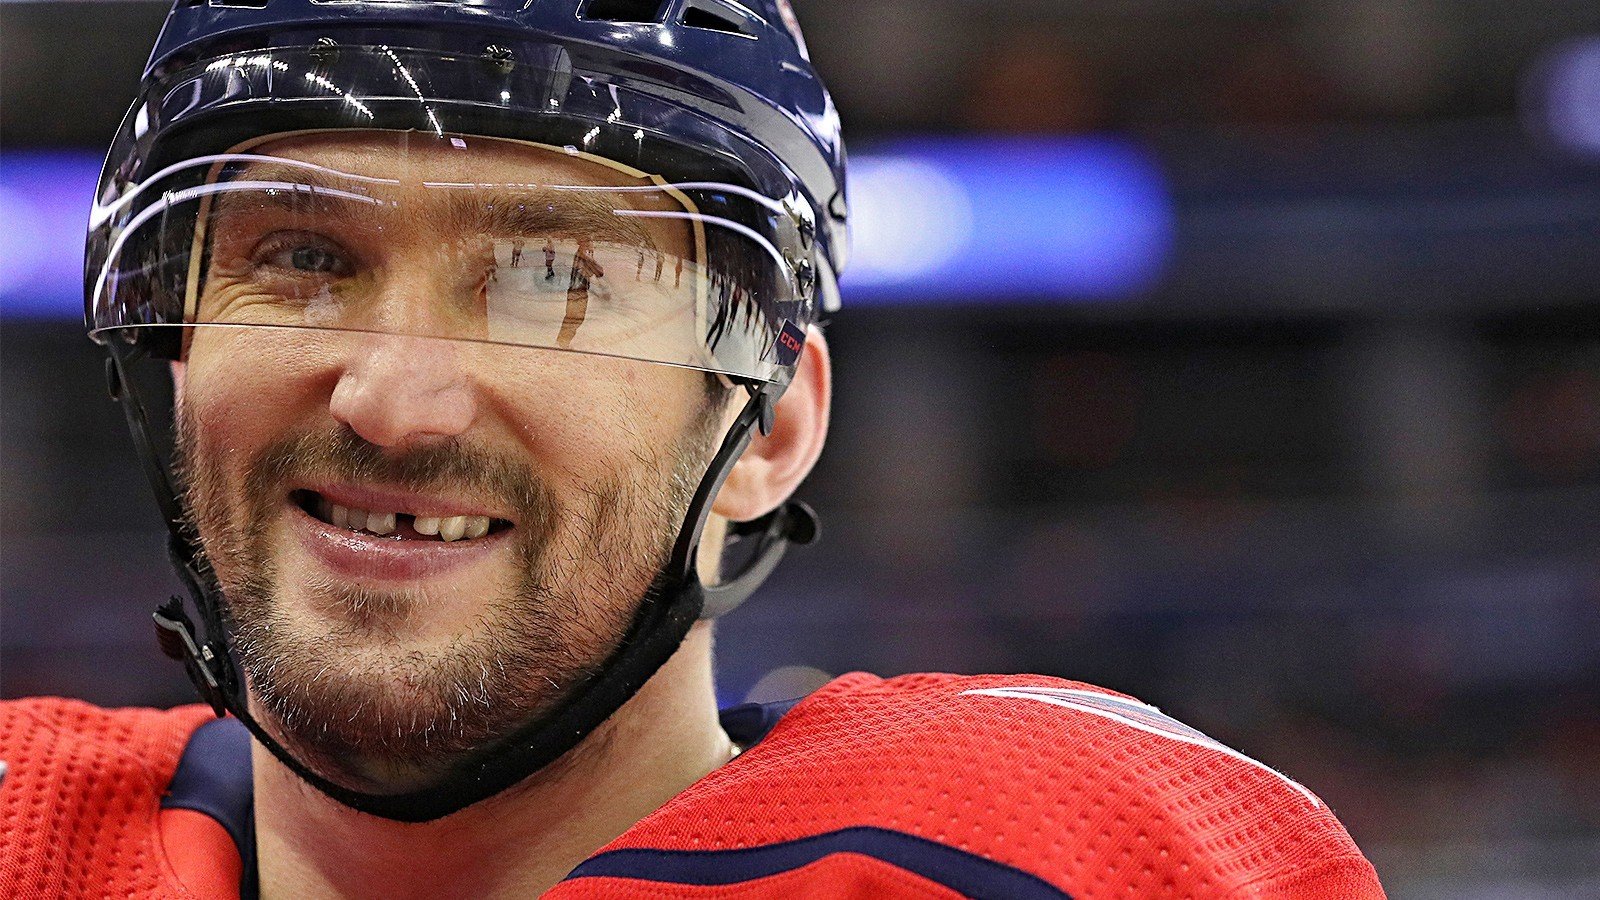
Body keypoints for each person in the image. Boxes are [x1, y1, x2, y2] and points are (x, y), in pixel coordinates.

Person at [0, 1, 1385, 898]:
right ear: (168, 362)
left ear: (768, 429)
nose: (393, 399)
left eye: (552, 282)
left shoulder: (1040, 863)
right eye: (304, 258)